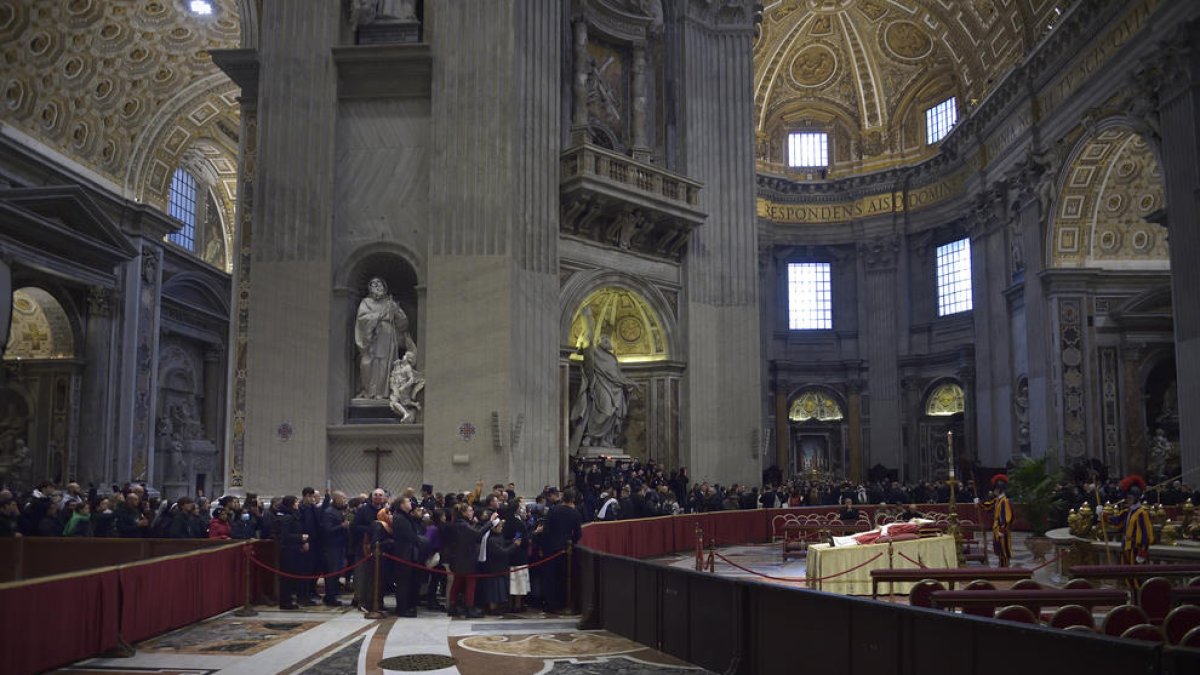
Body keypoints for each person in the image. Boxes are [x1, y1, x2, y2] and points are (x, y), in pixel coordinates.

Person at [569, 306, 638, 451]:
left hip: (616, 390)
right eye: (605, 339)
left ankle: (604, 439)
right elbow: (588, 343)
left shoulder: (612, 358)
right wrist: (587, 319)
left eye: (607, 340)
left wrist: (630, 383)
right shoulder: (596, 352)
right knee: (605, 411)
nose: (607, 342)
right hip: (602, 386)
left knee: (612, 414)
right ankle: (589, 436)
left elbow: (618, 375)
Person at [355, 277, 412, 399]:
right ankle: (370, 391)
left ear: (384, 287)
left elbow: (403, 323)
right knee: (369, 363)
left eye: (379, 283)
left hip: (387, 337)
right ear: (369, 288)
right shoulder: (366, 303)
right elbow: (362, 319)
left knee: (385, 363)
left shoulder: (389, 303)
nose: (376, 286)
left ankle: (383, 392)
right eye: (373, 284)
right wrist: (377, 316)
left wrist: (396, 311)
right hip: (372, 338)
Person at [535, 487, 582, 613]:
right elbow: (578, 534)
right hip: (564, 550)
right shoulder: (575, 513)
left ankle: (549, 604)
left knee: (549, 577)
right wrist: (571, 541)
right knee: (562, 577)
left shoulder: (553, 510)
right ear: (572, 499)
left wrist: (541, 547)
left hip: (549, 548)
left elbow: (546, 530)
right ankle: (561, 603)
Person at [447, 502, 495, 618]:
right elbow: (478, 535)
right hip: (467, 559)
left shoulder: (459, 523)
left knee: (457, 583)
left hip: (459, 558)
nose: (472, 512)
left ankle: (453, 606)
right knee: (470, 584)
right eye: (470, 510)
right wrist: (491, 522)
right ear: (464, 513)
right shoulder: (463, 525)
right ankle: (469, 608)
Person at [273, 496, 312, 610]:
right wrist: (301, 537)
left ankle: (290, 599)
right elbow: (285, 536)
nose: (297, 504)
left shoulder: (294, 516)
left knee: (293, 577)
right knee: (287, 578)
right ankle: (285, 601)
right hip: (288, 551)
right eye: (296, 503)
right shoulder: (287, 518)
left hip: (295, 549)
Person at [1109, 474, 1154, 566]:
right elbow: (1116, 521)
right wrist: (1102, 514)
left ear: (1136, 498)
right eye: (1126, 498)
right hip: (1126, 547)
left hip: (1136, 549)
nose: (1127, 500)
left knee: (1136, 577)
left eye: (1129, 498)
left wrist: (1143, 552)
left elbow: (1146, 534)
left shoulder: (1142, 513)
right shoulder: (1127, 512)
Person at [320, 491, 350, 606]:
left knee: (337, 572)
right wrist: (341, 526)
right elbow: (327, 530)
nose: (345, 500)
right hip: (331, 547)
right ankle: (330, 597)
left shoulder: (339, 511)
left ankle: (333, 595)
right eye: (343, 498)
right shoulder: (329, 512)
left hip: (340, 545)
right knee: (332, 572)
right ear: (336, 499)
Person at [985, 474, 1013, 567]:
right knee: (999, 549)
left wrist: (1002, 529)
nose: (994, 491)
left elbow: (1006, 518)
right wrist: (979, 503)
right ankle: (1001, 566)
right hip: (997, 528)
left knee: (1004, 550)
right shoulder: (997, 500)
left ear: (999, 489)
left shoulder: (1004, 501)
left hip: (1002, 530)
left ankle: (1004, 568)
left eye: (995, 489)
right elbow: (988, 506)